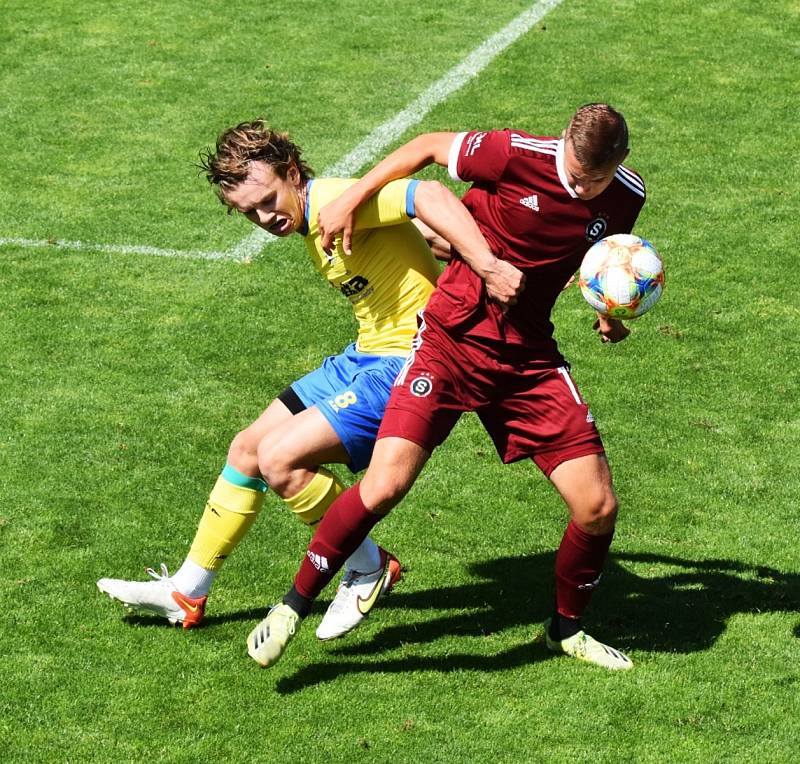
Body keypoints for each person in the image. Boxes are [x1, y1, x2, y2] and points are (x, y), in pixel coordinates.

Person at [246, 103, 646, 670]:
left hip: (527, 359)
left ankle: (565, 630)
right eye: (575, 174)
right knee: (384, 487)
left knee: (597, 506)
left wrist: (608, 311)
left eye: (595, 180)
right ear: (562, 144)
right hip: (449, 341)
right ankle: (291, 607)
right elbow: (428, 146)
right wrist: (354, 197)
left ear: (620, 163)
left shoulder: (626, 195)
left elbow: (598, 255)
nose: (581, 187)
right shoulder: (515, 153)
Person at [96, 120, 520, 640]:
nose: (263, 218)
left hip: (405, 363)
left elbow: (427, 194)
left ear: (292, 173)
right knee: (247, 448)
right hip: (365, 353)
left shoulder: (335, 201)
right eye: (248, 213)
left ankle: (367, 567)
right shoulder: (315, 216)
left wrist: (490, 265)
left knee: (281, 461)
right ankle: (188, 590)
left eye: (268, 200)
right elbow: (423, 235)